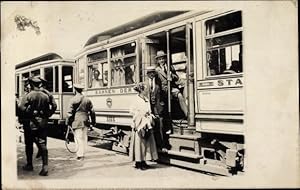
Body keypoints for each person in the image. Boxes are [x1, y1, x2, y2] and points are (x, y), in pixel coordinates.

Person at [18, 76, 51, 176]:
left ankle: (29, 165)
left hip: (30, 124)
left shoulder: (28, 96)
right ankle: (45, 166)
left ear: (31, 84)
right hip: (42, 124)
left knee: (29, 145)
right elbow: (48, 110)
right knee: (42, 144)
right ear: (39, 84)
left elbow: (21, 108)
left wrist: (30, 113)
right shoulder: (45, 96)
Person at [129, 82, 158, 170]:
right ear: (141, 90)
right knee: (139, 143)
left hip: (146, 123)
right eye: (145, 89)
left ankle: (144, 161)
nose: (147, 91)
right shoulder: (135, 99)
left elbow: (149, 110)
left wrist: (150, 115)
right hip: (139, 124)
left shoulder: (146, 99)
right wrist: (140, 114)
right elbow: (131, 111)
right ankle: (138, 162)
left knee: (146, 143)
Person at [65, 84, 96, 161]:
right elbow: (92, 112)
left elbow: (69, 113)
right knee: (84, 137)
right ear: (82, 90)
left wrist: (67, 122)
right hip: (85, 120)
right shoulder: (87, 100)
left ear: (75, 90)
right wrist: (93, 122)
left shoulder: (73, 100)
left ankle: (80, 155)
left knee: (78, 138)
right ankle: (83, 153)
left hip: (77, 121)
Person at [155, 50, 188, 118]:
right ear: (158, 61)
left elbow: (176, 77)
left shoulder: (170, 67)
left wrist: (171, 75)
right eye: (160, 59)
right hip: (164, 90)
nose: (162, 60)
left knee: (180, 95)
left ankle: (187, 114)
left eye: (163, 58)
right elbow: (157, 84)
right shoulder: (157, 70)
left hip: (172, 88)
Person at [34, 77, 57, 158]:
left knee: (33, 135)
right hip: (44, 117)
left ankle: (40, 150)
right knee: (43, 136)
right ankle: (42, 151)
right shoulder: (48, 94)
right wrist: (49, 114)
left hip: (34, 118)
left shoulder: (33, 93)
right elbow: (54, 105)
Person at [145, 66, 166, 149]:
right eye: (150, 73)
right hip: (147, 108)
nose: (152, 74)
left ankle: (161, 145)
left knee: (159, 125)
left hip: (156, 108)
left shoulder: (157, 84)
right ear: (147, 74)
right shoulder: (144, 84)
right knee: (149, 126)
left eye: (153, 73)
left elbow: (160, 97)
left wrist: (160, 107)